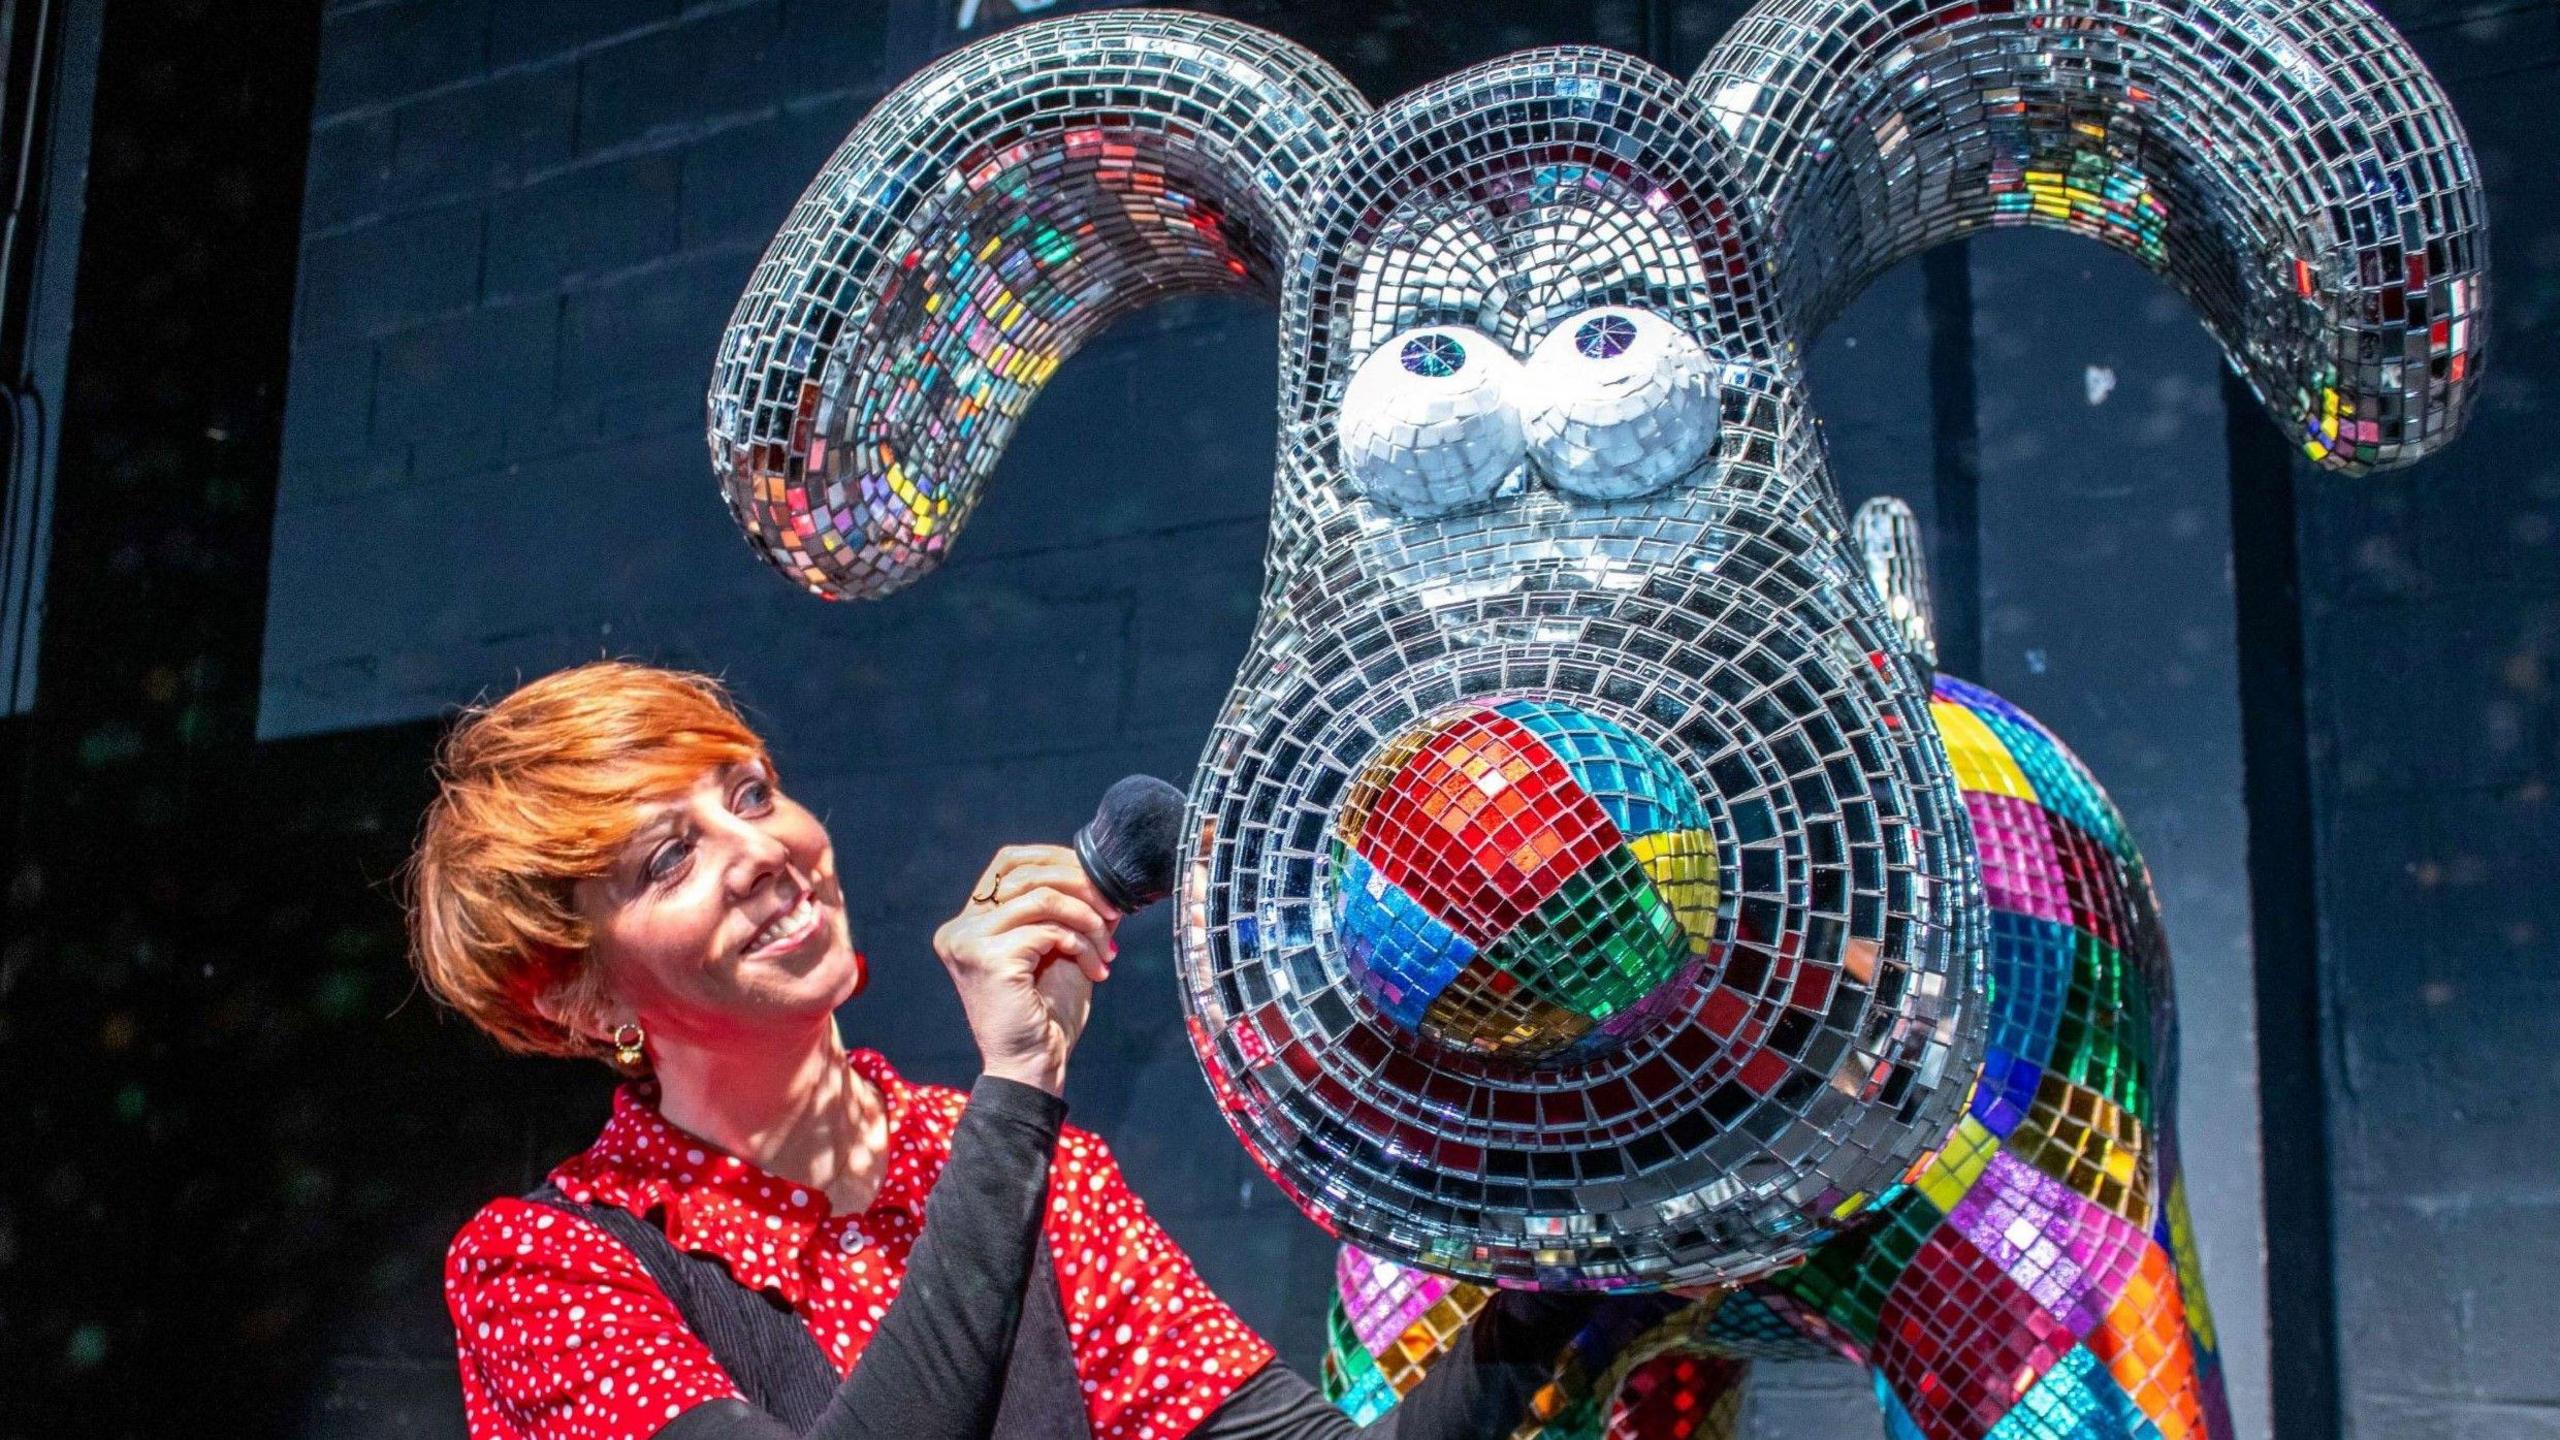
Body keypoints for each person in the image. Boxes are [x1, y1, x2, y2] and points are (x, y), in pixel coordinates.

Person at [408, 661, 1597, 1440]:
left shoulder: (1033, 1176)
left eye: (752, 792)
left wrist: (1575, 1257)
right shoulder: (543, 1270)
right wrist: (1017, 1087)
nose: (762, 850)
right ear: (576, 998)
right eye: (667, 858)